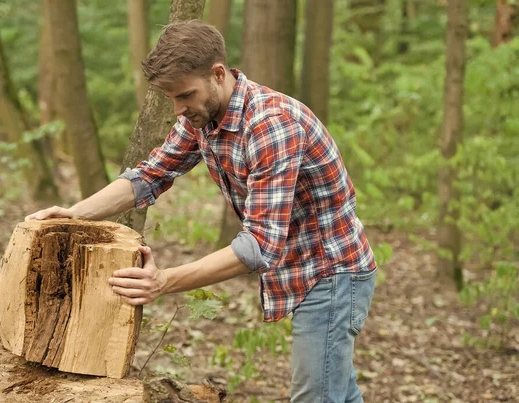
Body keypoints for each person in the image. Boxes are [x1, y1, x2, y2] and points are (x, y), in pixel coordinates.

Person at [26, 20, 377, 403]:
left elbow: (259, 245)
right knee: (338, 392)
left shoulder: (271, 126)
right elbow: (149, 176)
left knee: (317, 397)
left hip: (331, 272)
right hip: (301, 265)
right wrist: (73, 215)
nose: (178, 109)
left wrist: (165, 281)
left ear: (218, 74)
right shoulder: (203, 116)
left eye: (185, 95)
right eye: (172, 99)